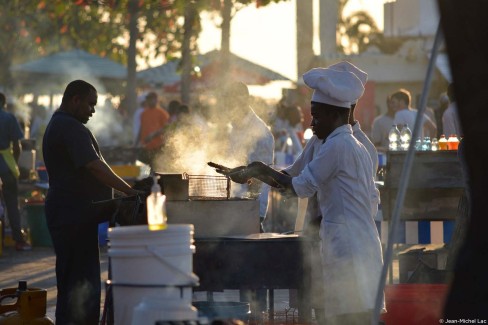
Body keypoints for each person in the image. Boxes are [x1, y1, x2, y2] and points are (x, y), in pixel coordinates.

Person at [212, 67, 385, 325]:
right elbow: (293, 173)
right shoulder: (325, 141)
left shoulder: (341, 145)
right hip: (338, 240)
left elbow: (298, 187)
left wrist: (258, 169)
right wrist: (254, 170)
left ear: (337, 115)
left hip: (351, 244)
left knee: (353, 317)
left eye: (316, 117)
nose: (311, 123)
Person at [42, 80, 142, 324]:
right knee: (79, 282)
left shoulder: (61, 124)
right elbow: (95, 167)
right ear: (75, 100)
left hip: (72, 214)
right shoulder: (69, 127)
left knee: (73, 280)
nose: (93, 110)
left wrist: (120, 194)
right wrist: (129, 191)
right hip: (71, 215)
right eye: (90, 104)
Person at [0, 92, 31, 251]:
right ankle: (18, 240)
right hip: (6, 164)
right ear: (4, 103)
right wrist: (15, 161)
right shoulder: (9, 118)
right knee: (12, 203)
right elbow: (18, 146)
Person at [137, 91, 170, 168]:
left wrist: (154, 134)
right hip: (145, 147)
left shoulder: (162, 113)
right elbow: (141, 128)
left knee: (156, 169)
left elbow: (166, 128)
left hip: (157, 147)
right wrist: (136, 143)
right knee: (144, 171)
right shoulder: (143, 114)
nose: (149, 101)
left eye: (151, 99)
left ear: (156, 100)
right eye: (148, 99)